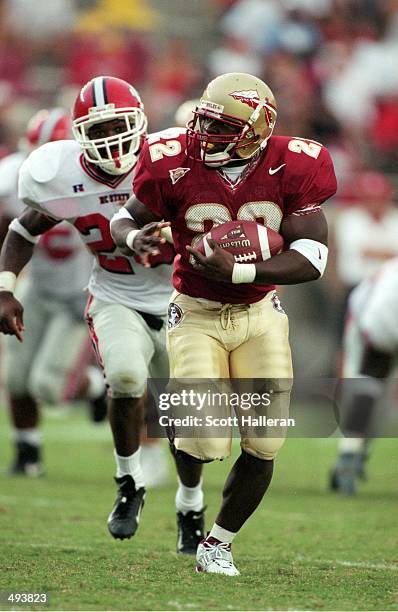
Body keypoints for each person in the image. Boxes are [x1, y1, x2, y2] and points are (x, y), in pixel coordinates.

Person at [110, 72, 337, 575]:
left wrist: (240, 270)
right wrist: (134, 239)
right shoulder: (173, 158)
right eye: (204, 121)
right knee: (207, 441)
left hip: (259, 314)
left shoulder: (297, 163)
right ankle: (182, 441)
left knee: (265, 441)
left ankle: (217, 544)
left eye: (219, 125)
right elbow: (123, 217)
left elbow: (313, 256)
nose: (201, 133)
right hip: (195, 311)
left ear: (256, 130)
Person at [0, 77, 175, 539]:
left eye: (118, 125)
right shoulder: (61, 175)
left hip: (180, 296)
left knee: (194, 421)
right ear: (77, 136)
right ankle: (128, 479)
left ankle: (190, 505)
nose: (110, 139)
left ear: (140, 122)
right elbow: (22, 230)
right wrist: (4, 287)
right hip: (114, 292)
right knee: (124, 377)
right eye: (97, 130)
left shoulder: (168, 163)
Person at [0, 107, 103, 477]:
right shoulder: (13, 176)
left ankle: (97, 387)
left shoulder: (94, 178)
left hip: (77, 295)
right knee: (14, 376)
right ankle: (28, 453)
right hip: (38, 286)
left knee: (46, 385)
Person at [330, 257, 398, 495]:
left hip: (379, 323)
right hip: (365, 327)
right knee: (366, 392)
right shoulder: (388, 301)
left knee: (382, 407)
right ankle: (348, 456)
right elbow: (374, 335)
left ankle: (359, 450)